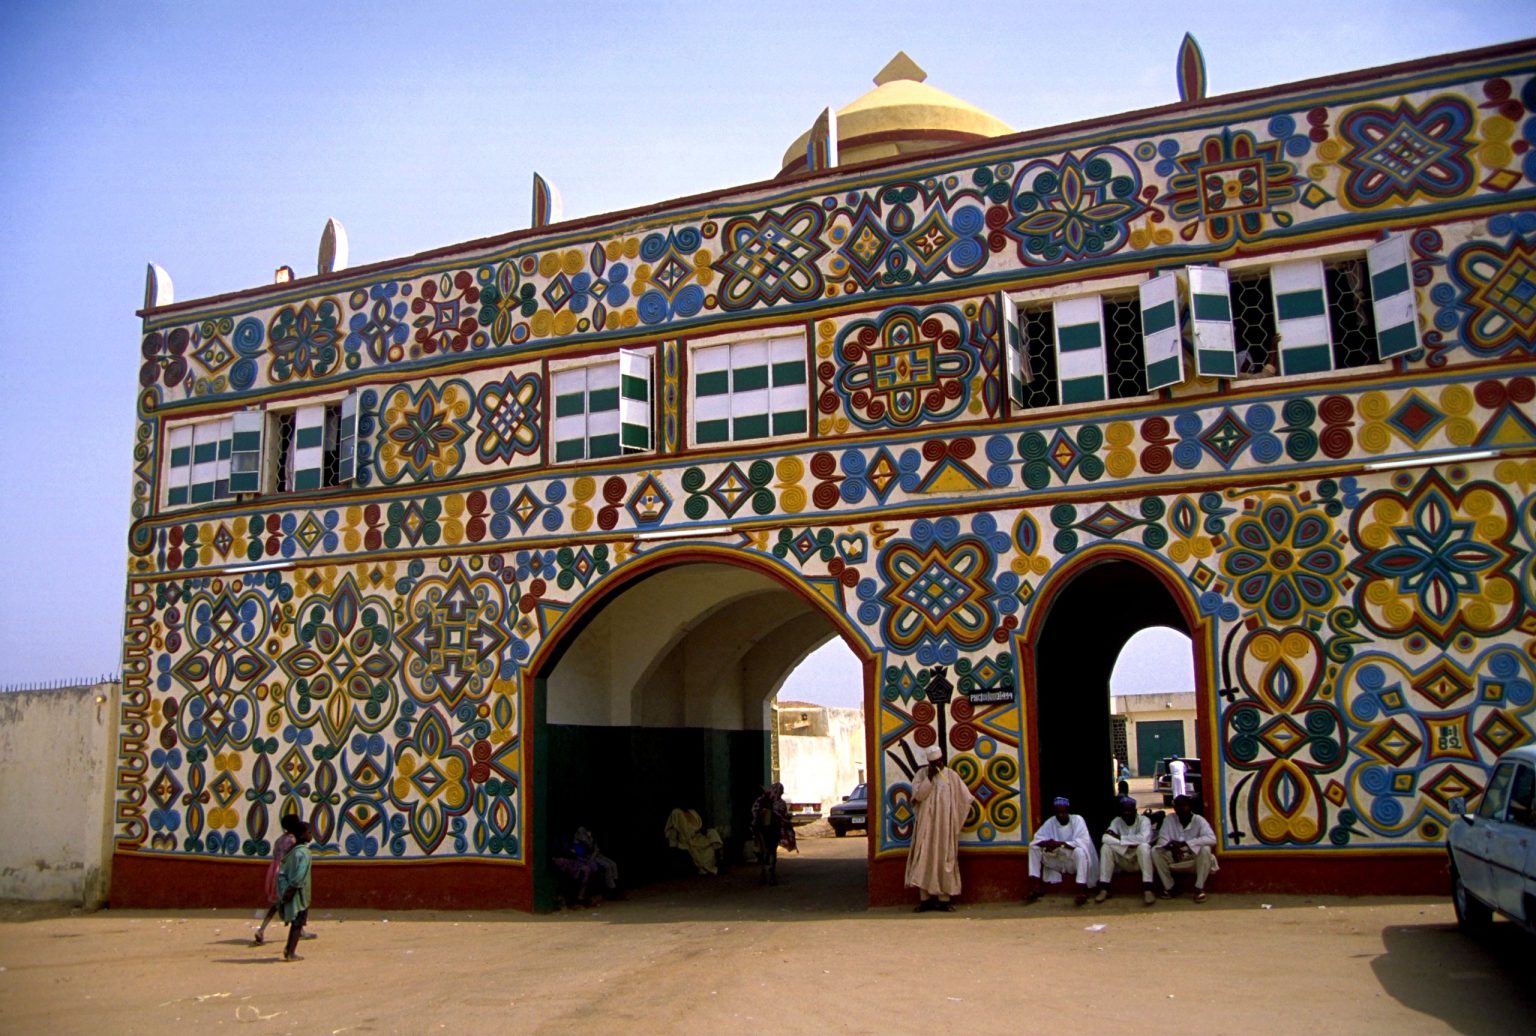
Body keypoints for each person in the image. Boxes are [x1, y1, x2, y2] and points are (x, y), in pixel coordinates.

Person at [905, 743, 975, 912]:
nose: (938, 765)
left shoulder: (951, 776)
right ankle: (925, 900)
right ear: (929, 764)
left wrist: (954, 819)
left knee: (944, 858)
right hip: (926, 826)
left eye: (939, 762)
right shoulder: (921, 775)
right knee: (924, 858)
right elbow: (918, 796)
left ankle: (944, 900)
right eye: (934, 763)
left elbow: (965, 799)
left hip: (944, 826)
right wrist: (929, 778)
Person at [1025, 796, 1098, 906]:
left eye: (1063, 812)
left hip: (1072, 862)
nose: (1061, 815)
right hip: (1057, 861)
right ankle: (1036, 887)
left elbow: (1083, 841)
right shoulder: (1051, 822)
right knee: (1033, 847)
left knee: (1080, 852)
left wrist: (1060, 844)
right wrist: (1047, 843)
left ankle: (1082, 890)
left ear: (1068, 811)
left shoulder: (1077, 820)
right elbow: (1037, 838)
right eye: (1058, 813)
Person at [1153, 794, 1219, 902]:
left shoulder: (1199, 820)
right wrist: (1171, 847)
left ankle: (1199, 889)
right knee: (1155, 851)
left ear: (1190, 807)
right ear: (1174, 808)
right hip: (1175, 858)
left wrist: (1186, 844)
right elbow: (1162, 840)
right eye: (1178, 806)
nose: (1181, 809)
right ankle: (1170, 888)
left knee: (1206, 849)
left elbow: (1212, 839)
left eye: (1184, 806)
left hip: (1193, 859)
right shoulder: (1169, 819)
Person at [253, 813, 303, 946]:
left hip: (274, 871)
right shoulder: (293, 840)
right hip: (285, 873)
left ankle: (262, 929)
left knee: (277, 903)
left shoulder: (279, 840)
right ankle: (299, 929)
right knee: (297, 900)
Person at [1095, 796, 1156, 905]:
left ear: (1135, 811)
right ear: (1120, 812)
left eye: (1130, 810)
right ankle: (1104, 888)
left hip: (1139, 862)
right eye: (1124, 811)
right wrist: (1128, 845)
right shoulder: (1117, 821)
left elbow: (1144, 838)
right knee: (1106, 847)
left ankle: (1148, 889)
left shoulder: (1144, 820)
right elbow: (1105, 838)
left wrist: (1119, 838)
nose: (1127, 813)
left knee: (1143, 847)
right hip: (1123, 860)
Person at [275, 819, 314, 961]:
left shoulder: (293, 851)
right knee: (298, 923)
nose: (311, 835)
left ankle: (288, 949)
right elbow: (299, 877)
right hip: (298, 893)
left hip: (292, 891)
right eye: (309, 832)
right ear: (301, 835)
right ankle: (290, 952)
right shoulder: (304, 853)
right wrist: (291, 891)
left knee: (296, 923)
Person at [749, 782, 797, 885]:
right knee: (772, 852)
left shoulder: (761, 800)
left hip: (760, 830)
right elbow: (783, 816)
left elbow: (754, 812)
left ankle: (763, 875)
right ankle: (771, 876)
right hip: (773, 831)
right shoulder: (780, 803)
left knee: (763, 852)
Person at [664, 806, 724, 875]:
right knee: (697, 850)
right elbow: (673, 829)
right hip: (688, 840)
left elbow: (699, 826)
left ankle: (719, 860)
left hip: (699, 836)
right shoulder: (676, 812)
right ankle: (715, 863)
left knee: (713, 832)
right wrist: (673, 844)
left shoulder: (692, 812)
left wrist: (702, 830)